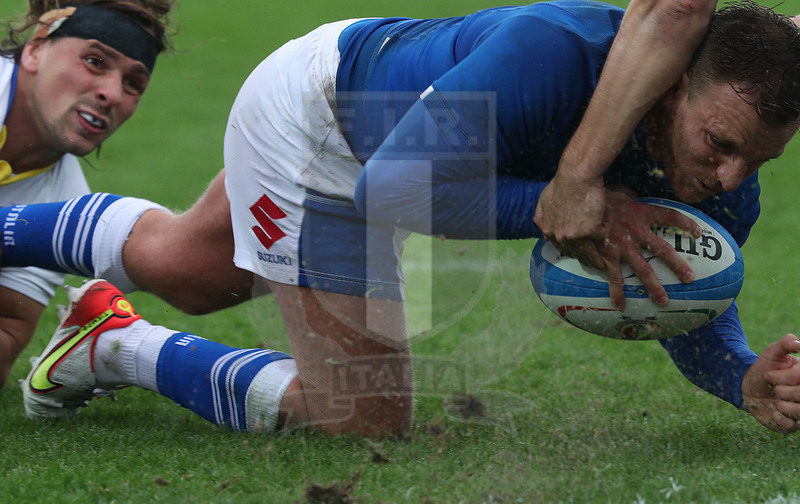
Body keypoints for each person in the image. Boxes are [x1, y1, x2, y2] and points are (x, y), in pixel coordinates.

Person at [9, 0, 800, 436]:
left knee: (188, 270)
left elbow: (690, 303)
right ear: (670, 89)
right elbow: (389, 192)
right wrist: (548, 205)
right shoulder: (552, 55)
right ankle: (118, 344)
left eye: (759, 159)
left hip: (393, 142)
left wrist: (741, 377)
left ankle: (96, 329)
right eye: (720, 143)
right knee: (362, 417)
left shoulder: (726, 182)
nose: (731, 176)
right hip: (324, 125)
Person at [0, 0, 173, 388]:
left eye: (133, 84)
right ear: (35, 50)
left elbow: (8, 333)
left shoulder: (66, 214)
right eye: (95, 61)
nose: (112, 94)